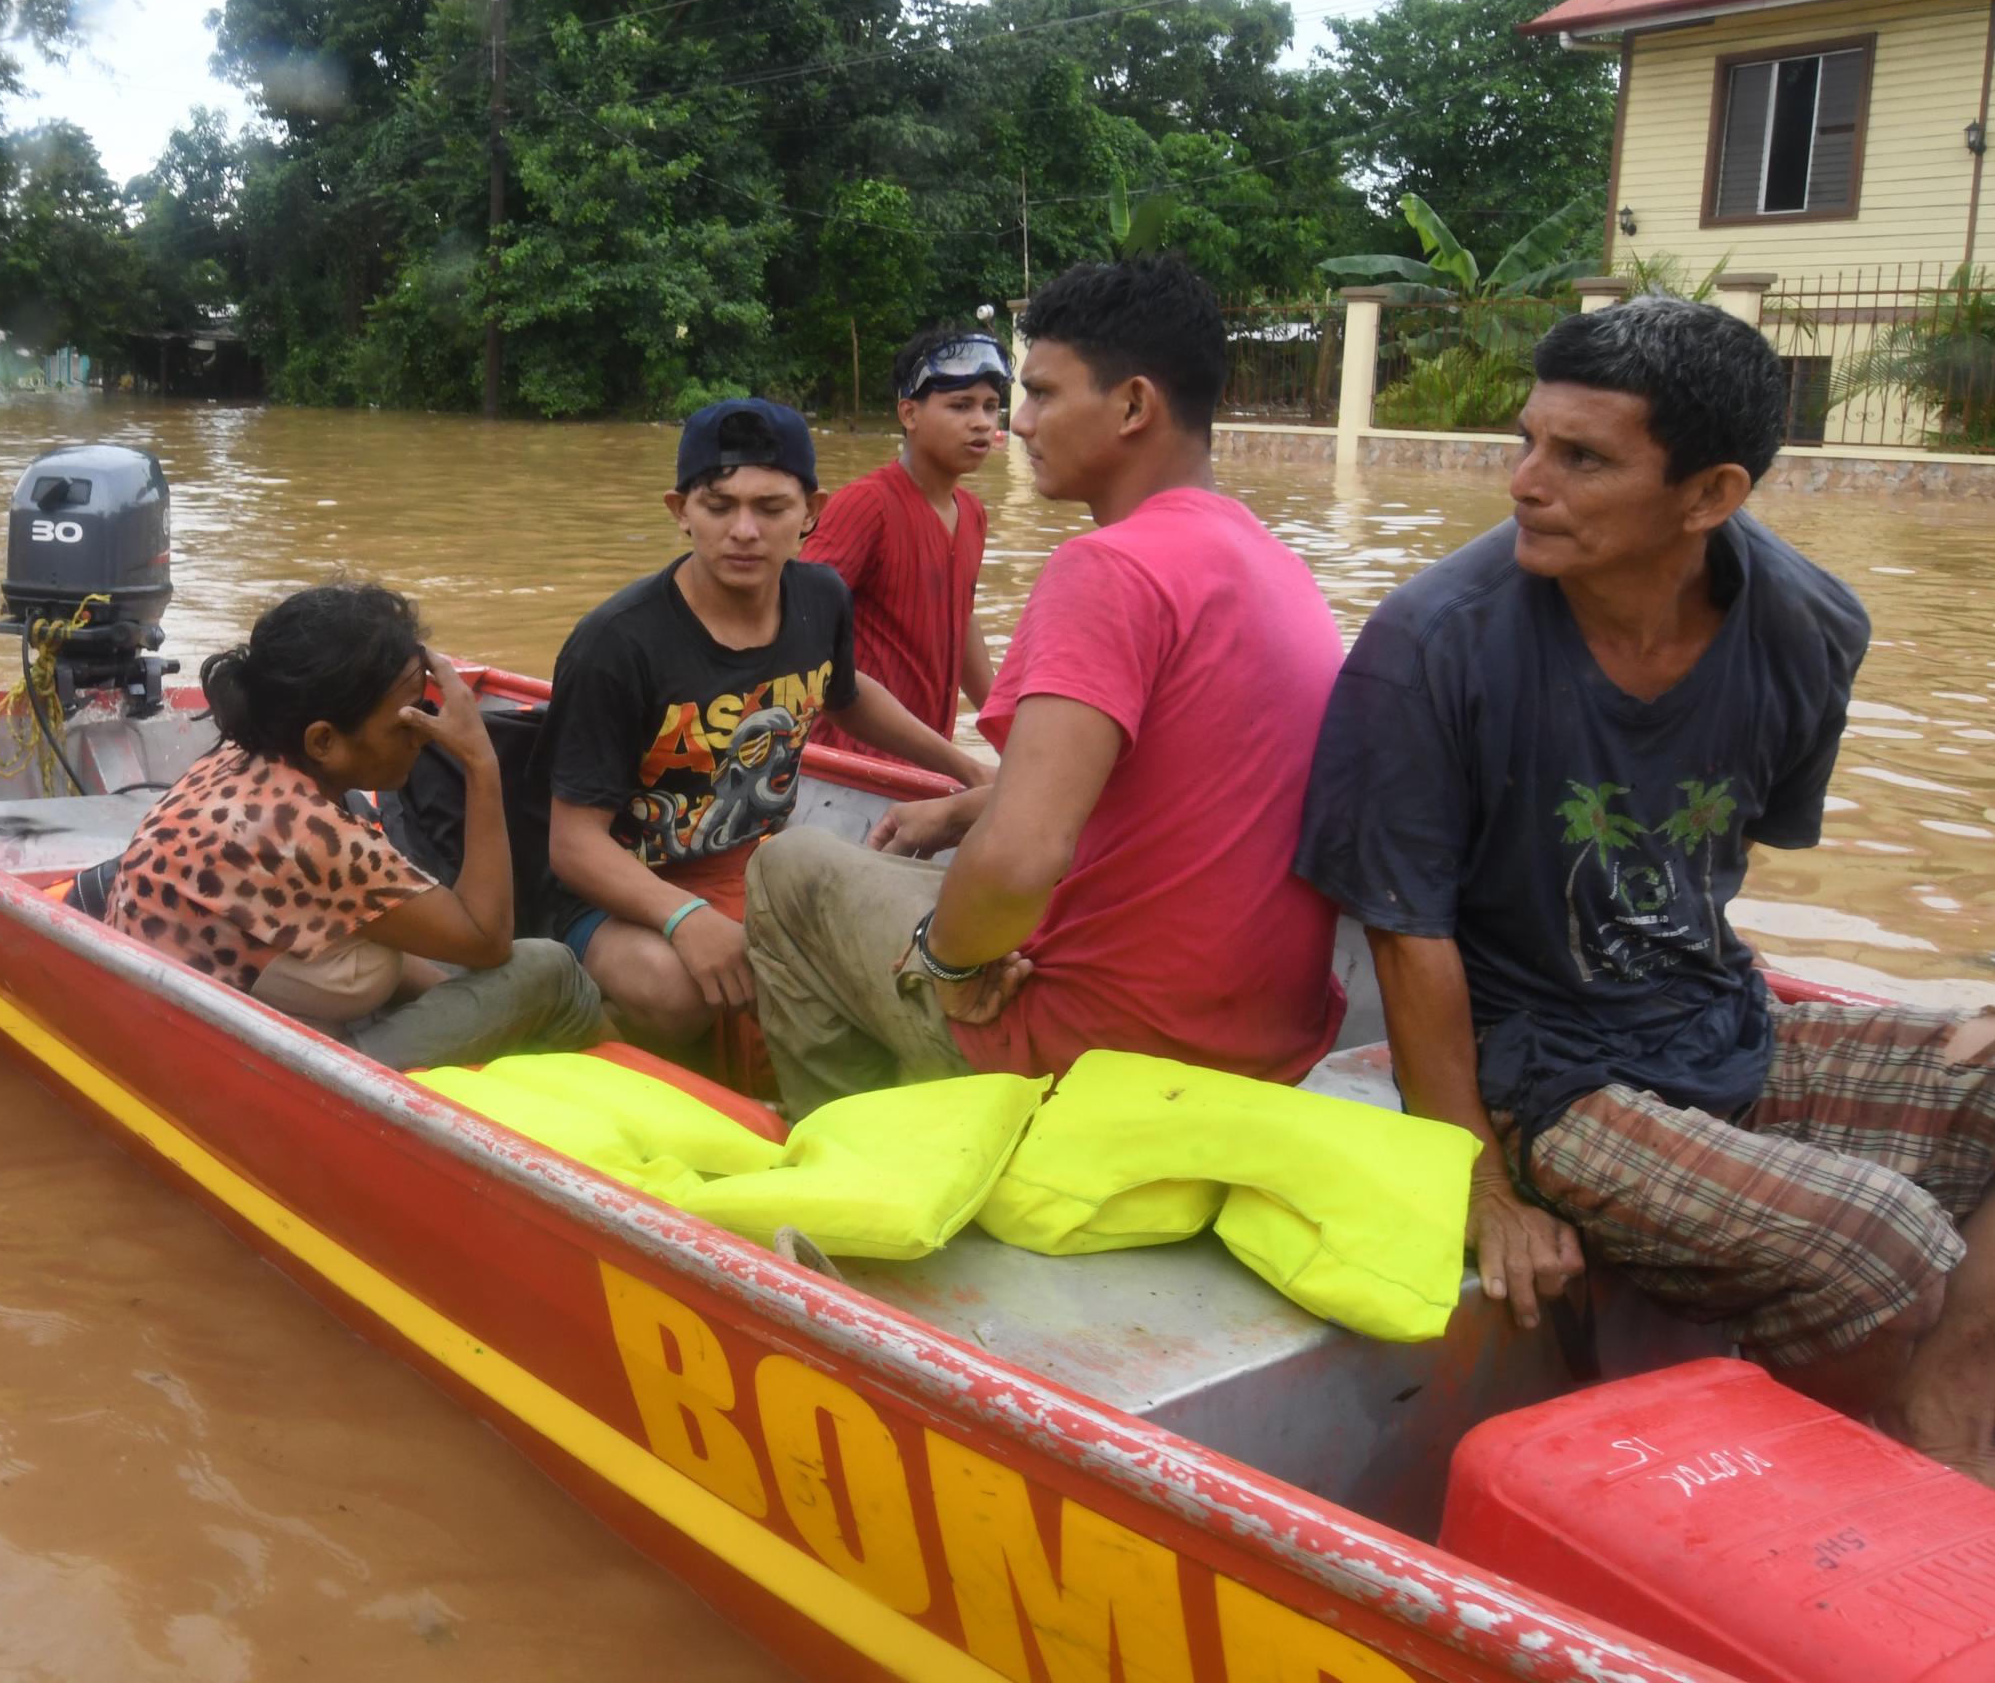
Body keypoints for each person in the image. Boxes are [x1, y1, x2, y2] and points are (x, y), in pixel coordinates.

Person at [1290, 299, 1995, 1482]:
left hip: (1716, 1021)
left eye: (1581, 458)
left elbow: (1710, 869)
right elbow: (1407, 938)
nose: (1525, 481)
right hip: (1541, 1075)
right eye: (1528, 441)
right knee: (1878, 1244)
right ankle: (1789, 1490)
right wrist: (1479, 1187)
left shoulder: (1811, 626)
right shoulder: (1432, 644)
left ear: (1710, 494)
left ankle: (1942, 1414)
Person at [745, 256, 1347, 1117]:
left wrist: (947, 964)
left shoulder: (1107, 567)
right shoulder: (1274, 562)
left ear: (1134, 406)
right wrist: (964, 807)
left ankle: (862, 1150)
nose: (1016, 425)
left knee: (790, 870)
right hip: (1267, 1039)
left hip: (1102, 1049)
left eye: (1040, 395)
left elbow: (1023, 858)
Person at [543, 398, 993, 1053]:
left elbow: (846, 695)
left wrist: (964, 768)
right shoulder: (616, 644)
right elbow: (573, 845)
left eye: (771, 508)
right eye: (719, 507)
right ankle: (581, 1033)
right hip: (621, 891)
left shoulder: (821, 598)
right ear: (681, 513)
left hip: (760, 865)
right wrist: (686, 918)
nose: (744, 531)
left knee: (929, 944)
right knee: (677, 988)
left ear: (812, 511)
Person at [106, 583, 607, 1070]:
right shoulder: (315, 834)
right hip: (266, 1068)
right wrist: (480, 761)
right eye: (405, 719)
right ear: (323, 741)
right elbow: (489, 940)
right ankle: (634, 1074)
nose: (423, 731)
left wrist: (476, 999)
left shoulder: (242, 757)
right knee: (551, 969)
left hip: (197, 1021)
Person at [801, 324, 1007, 763]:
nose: (982, 423)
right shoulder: (864, 505)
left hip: (927, 762)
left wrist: (1005, 728)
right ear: (909, 414)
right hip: (847, 765)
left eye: (991, 407)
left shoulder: (972, 512)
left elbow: (961, 616)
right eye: (961, 405)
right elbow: (801, 635)